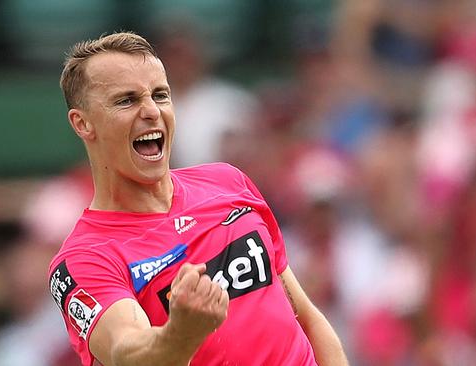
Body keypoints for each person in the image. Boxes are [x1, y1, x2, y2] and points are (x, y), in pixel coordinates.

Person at [48, 31, 348, 366]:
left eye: (160, 95)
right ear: (82, 123)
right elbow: (127, 353)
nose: (151, 111)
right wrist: (182, 332)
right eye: (126, 100)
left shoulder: (228, 182)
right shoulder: (84, 259)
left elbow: (305, 316)